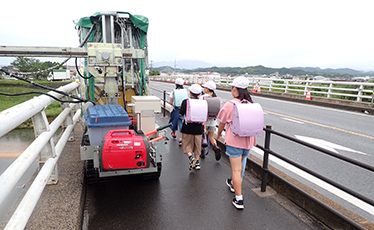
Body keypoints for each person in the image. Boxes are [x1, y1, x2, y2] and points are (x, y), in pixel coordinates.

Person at [216, 76, 257, 210]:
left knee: (236, 169)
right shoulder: (251, 104)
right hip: (248, 142)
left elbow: (222, 122)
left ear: (235, 89)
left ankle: (239, 199)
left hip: (235, 142)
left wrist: (218, 134)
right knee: (240, 165)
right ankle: (234, 183)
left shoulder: (230, 105)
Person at [179, 84, 205, 170]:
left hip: (188, 127)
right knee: (197, 146)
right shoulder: (203, 102)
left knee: (187, 145)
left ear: (190, 92)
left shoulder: (186, 101)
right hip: (199, 128)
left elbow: (181, 113)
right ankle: (197, 162)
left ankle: (191, 158)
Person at [200, 80, 222, 161]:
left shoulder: (202, 97)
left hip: (204, 121)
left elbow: (201, 111)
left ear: (207, 89)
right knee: (211, 137)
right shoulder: (216, 98)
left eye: (205, 87)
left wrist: (204, 126)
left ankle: (202, 152)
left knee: (202, 137)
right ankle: (216, 147)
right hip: (213, 122)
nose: (204, 89)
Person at [169, 78, 188, 146]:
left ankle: (174, 133)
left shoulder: (173, 92)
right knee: (182, 123)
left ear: (175, 84)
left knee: (173, 121)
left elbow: (171, 102)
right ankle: (181, 138)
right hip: (183, 110)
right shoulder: (185, 91)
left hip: (176, 109)